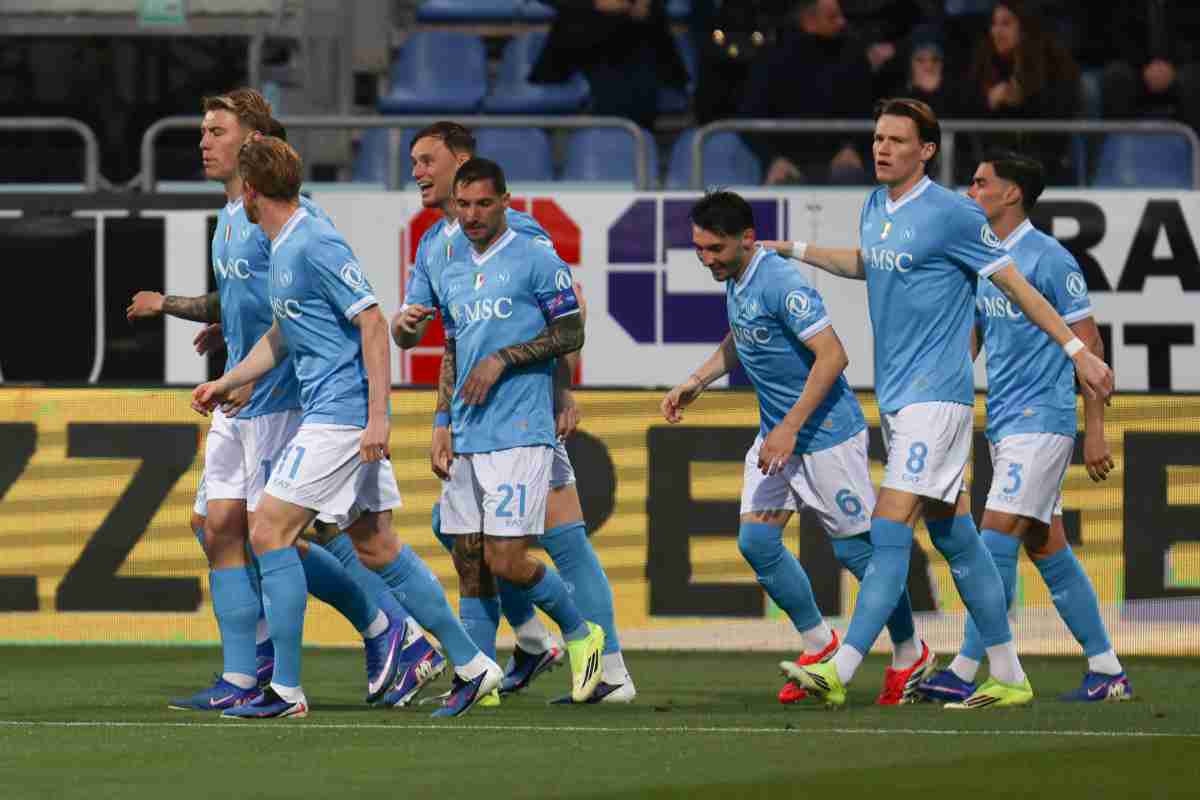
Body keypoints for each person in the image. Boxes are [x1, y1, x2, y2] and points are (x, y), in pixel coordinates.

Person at [762, 97, 1113, 710]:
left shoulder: (953, 213)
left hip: (939, 398)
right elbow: (868, 265)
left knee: (890, 526)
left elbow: (1014, 283)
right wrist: (792, 249)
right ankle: (1007, 672)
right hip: (898, 397)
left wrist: (1075, 350)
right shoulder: (875, 206)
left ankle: (842, 667)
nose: (882, 148)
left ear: (926, 150)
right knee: (957, 539)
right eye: (877, 137)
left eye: (897, 139)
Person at [126, 89, 432, 711]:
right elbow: (263, 303)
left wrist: (239, 367)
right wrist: (222, 325)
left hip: (278, 398)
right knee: (216, 527)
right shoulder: (234, 215)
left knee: (281, 535)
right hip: (242, 390)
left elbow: (311, 310)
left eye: (217, 130)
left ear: (254, 139)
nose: (204, 141)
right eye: (203, 130)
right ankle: (246, 674)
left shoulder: (293, 219)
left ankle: (382, 629)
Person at [192, 136, 502, 719]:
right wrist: (228, 380)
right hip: (332, 413)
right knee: (377, 546)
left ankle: (284, 691)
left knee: (267, 533)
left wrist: (377, 419)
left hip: (340, 416)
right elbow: (283, 334)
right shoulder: (280, 245)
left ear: (253, 191)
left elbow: (373, 323)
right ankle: (474, 666)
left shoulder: (312, 239)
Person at [393, 122, 635, 704]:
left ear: (464, 163)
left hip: (528, 414)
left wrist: (562, 390)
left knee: (552, 543)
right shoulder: (434, 246)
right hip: (474, 420)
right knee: (470, 538)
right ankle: (527, 644)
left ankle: (598, 663)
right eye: (414, 162)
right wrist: (438, 413)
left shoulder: (522, 235)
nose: (419, 172)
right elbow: (444, 338)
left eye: (428, 160)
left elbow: (563, 318)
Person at [660, 190, 934, 706]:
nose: (706, 260)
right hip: (779, 436)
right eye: (699, 249)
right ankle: (818, 645)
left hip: (826, 436)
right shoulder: (738, 278)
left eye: (715, 249)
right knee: (757, 544)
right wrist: (698, 379)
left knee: (860, 554)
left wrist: (788, 427)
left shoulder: (781, 281)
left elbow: (833, 356)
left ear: (747, 239)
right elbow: (744, 336)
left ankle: (909, 652)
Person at [917, 152, 1131, 703]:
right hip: (1007, 421)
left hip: (1045, 419)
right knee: (1045, 545)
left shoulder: (1049, 259)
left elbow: (1091, 347)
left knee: (992, 542)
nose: (971, 190)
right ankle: (1107, 670)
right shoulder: (984, 261)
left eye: (981, 182)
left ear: (1011, 194)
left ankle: (969, 667)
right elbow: (972, 339)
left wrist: (1096, 429)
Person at [426, 156, 606, 706]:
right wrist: (442, 421)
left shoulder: (535, 257)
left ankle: (582, 636)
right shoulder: (448, 261)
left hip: (523, 427)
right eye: (465, 205)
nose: (474, 215)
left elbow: (570, 329)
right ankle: (478, 678)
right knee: (470, 558)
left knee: (506, 558)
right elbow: (453, 345)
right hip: (468, 430)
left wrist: (505, 358)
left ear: (506, 201)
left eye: (485, 203)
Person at [736, 0, 873, 186]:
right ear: (809, 21)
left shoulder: (854, 57)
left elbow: (866, 109)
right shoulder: (771, 59)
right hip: (785, 163)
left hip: (842, 160)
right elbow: (749, 117)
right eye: (833, 17)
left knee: (852, 178)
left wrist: (852, 148)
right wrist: (772, 159)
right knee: (783, 183)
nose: (842, 22)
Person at [949, 0, 1081, 185]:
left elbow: (1062, 115)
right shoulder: (982, 59)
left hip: (1045, 167)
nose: (997, 31)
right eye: (994, 24)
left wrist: (1024, 99)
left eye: (1006, 24)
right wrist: (989, 101)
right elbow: (961, 110)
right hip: (992, 168)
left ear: (1024, 27)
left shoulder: (1054, 62)